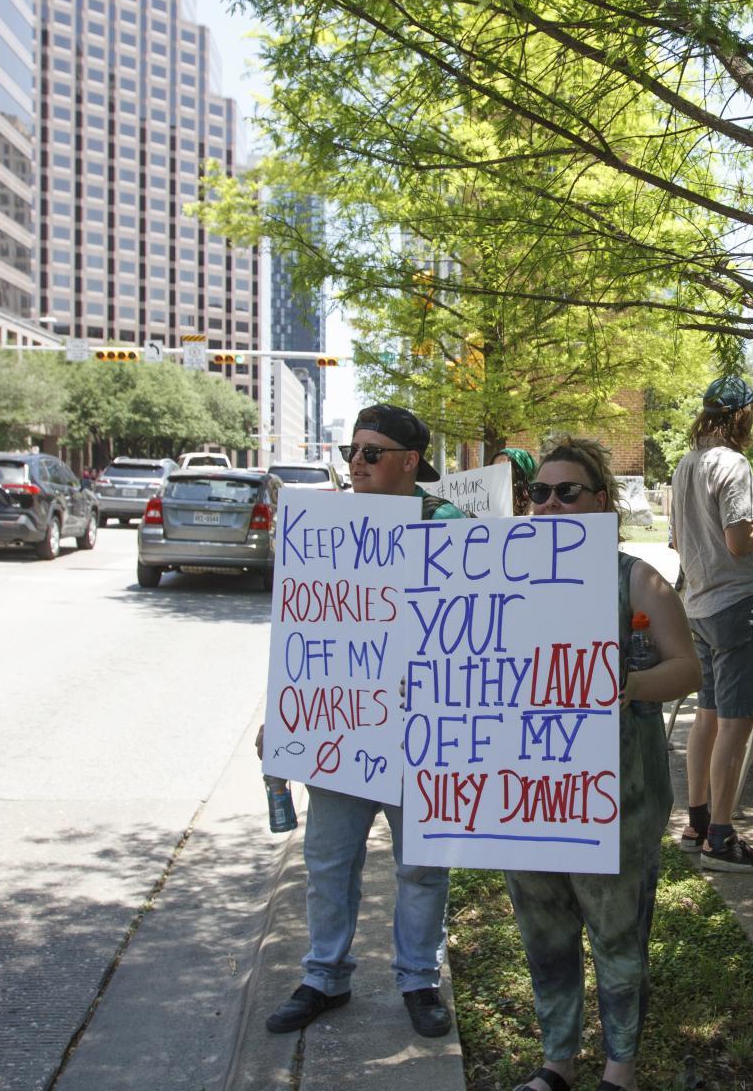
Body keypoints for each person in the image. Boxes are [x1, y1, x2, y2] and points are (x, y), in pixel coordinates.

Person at [503, 439, 699, 1091]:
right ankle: (556, 1061)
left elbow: (686, 668)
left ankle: (620, 1069)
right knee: (545, 935)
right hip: (525, 797)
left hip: (615, 800)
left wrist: (624, 683)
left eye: (568, 492)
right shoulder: (499, 577)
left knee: (617, 941)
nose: (551, 503)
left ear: (601, 503)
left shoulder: (636, 579)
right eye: (540, 493)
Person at [263, 403, 464, 1038]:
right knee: (327, 862)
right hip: (341, 728)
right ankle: (323, 975)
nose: (356, 463)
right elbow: (302, 629)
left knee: (423, 866)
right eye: (352, 451)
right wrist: (282, 714)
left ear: (410, 461)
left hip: (421, 728)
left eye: (371, 453)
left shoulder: (449, 525)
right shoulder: (323, 521)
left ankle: (419, 979)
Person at [670, 374, 753, 872]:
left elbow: (678, 541)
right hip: (735, 604)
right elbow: (739, 540)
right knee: (737, 722)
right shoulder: (733, 464)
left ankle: (696, 820)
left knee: (708, 716)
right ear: (741, 416)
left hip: (697, 605)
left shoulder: (685, 465)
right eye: (752, 414)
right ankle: (720, 837)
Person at [494, 446, 537, 516]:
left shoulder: (538, 506)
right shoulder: (486, 502)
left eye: (504, 468)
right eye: (494, 468)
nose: (498, 473)